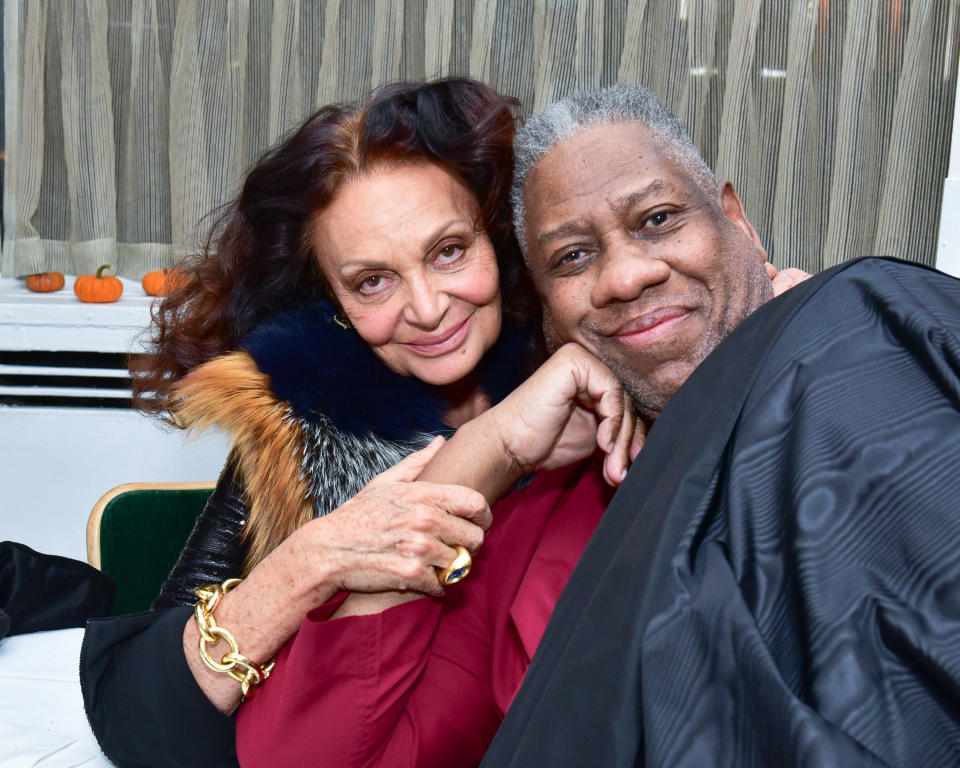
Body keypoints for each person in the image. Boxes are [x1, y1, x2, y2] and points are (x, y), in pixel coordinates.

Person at [237, 84, 960, 767]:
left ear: (736, 219)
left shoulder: (869, 332)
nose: (624, 278)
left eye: (658, 219)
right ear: (548, 312)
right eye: (573, 257)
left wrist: (799, 346)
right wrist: (487, 451)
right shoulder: (531, 525)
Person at [80, 78, 635, 768]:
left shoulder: (599, 366)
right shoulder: (307, 420)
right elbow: (140, 717)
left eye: (449, 251)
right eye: (373, 281)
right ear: (334, 299)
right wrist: (317, 558)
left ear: (497, 239)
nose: (428, 308)